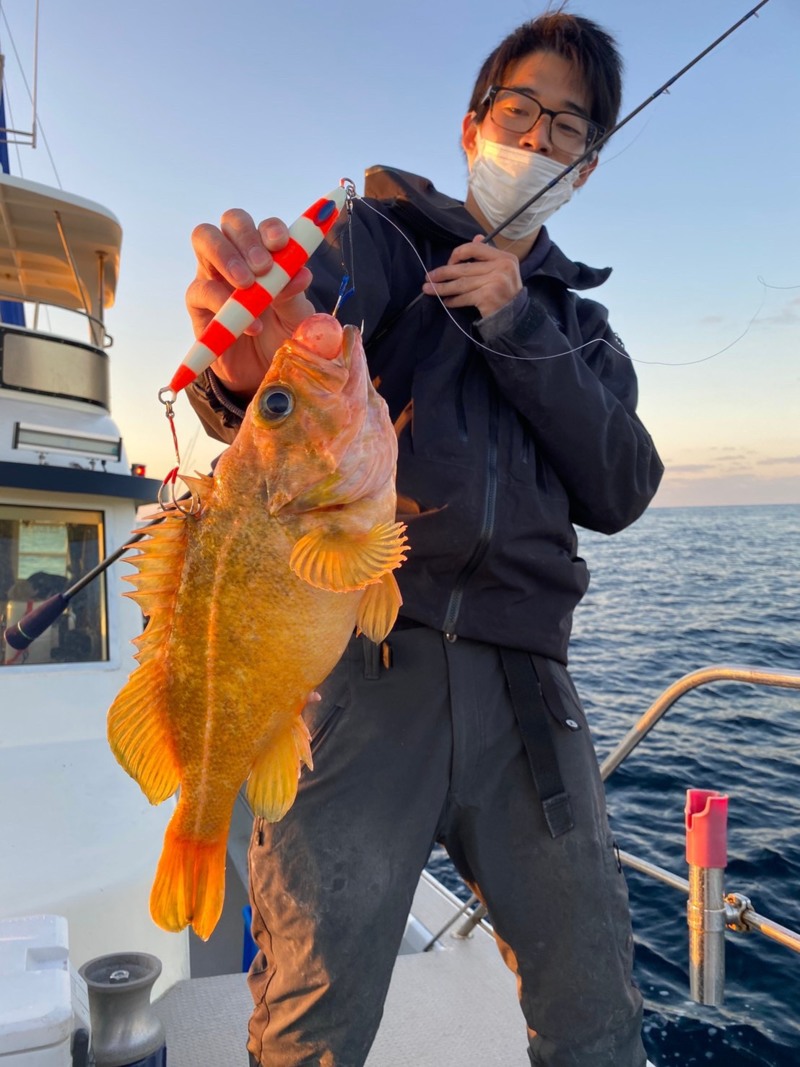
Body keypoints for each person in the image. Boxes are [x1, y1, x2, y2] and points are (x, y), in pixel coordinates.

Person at [185, 11, 664, 1066]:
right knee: (312, 1018)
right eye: (518, 110)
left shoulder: (583, 331)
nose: (536, 138)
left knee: (595, 1015)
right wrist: (239, 374)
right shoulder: (379, 240)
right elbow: (290, 359)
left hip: (528, 693)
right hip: (364, 661)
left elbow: (624, 485)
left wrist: (517, 324)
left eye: (568, 127)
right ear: (470, 126)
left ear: (587, 165)